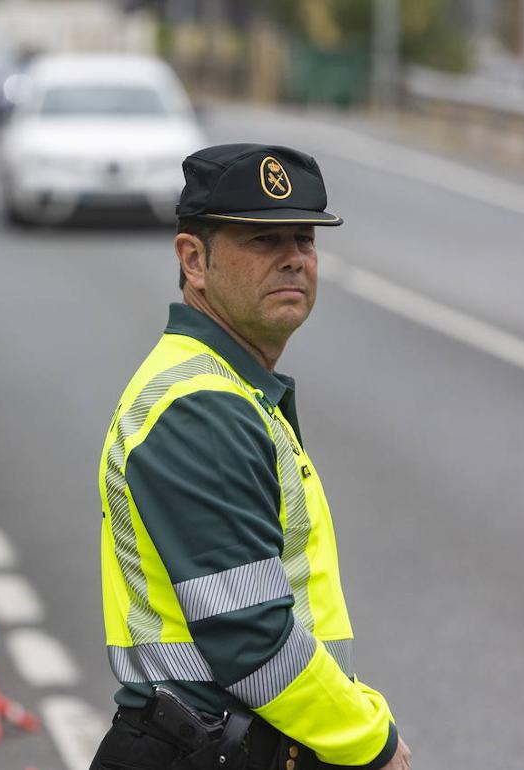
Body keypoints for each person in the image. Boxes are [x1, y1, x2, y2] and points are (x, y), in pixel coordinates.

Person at [91, 145, 411, 770]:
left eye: (305, 239)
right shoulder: (201, 408)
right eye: (264, 239)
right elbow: (251, 639)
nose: (293, 256)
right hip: (206, 748)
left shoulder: (227, 388)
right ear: (194, 260)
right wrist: (373, 741)